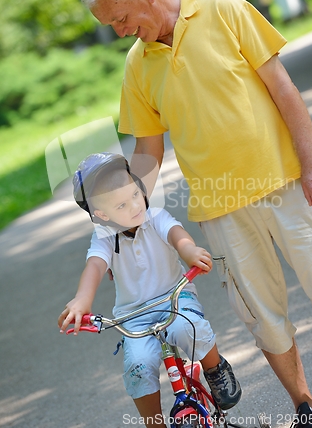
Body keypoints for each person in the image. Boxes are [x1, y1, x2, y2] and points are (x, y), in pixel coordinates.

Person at [79, 0, 312, 427]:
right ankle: (306, 407)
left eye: (120, 19)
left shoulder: (223, 9)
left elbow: (284, 89)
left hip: (287, 184)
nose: (119, 31)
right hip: (220, 210)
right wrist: (119, 229)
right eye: (110, 25)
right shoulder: (138, 66)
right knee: (263, 315)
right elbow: (147, 157)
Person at [58, 152, 242, 428]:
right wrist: (82, 300)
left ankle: (215, 369)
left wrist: (190, 251)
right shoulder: (104, 238)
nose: (134, 205)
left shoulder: (155, 217)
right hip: (133, 314)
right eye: (122, 204)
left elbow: (176, 235)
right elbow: (95, 267)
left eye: (135, 194)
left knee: (187, 328)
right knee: (138, 365)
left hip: (176, 297)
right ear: (102, 215)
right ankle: (153, 422)